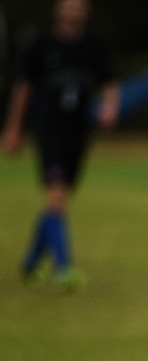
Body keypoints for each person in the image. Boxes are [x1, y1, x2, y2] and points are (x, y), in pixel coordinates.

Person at [3, 0, 118, 289]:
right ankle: (63, 267)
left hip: (78, 133)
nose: (73, 11)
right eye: (69, 5)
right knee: (56, 198)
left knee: (60, 199)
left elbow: (109, 83)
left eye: (79, 6)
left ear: (87, 10)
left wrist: (109, 107)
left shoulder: (94, 47)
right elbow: (23, 87)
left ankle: (30, 262)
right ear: (58, 9)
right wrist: (13, 129)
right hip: (49, 131)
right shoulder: (42, 45)